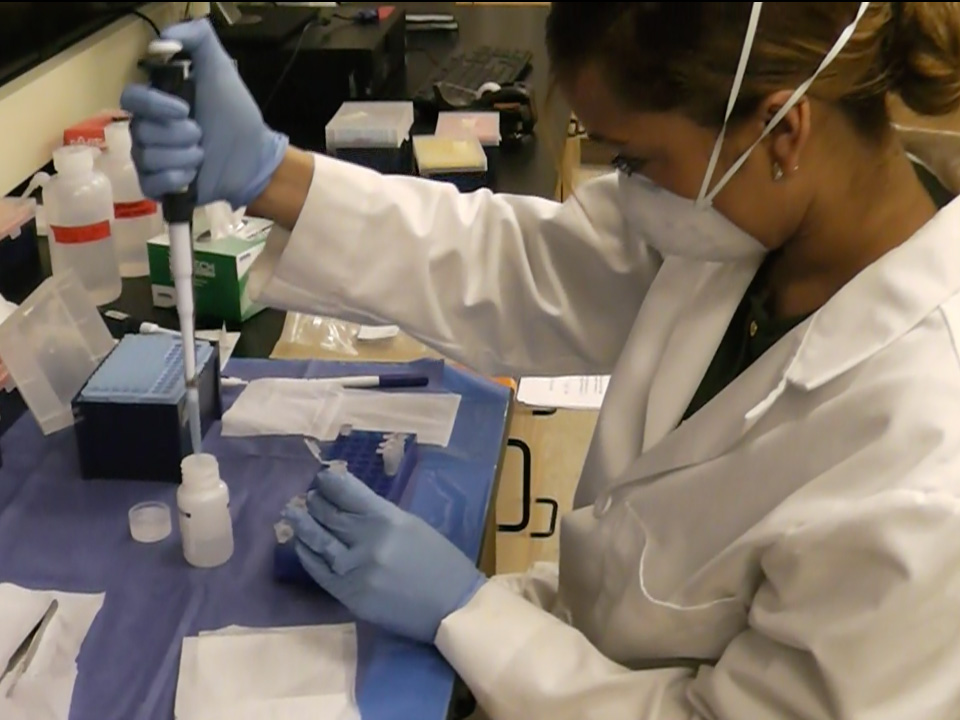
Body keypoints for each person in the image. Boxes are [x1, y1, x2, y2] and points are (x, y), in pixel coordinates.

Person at [121, 2, 960, 717]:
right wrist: (273, 174)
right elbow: (519, 267)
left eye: (635, 158)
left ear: (784, 127)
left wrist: (471, 612)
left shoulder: (922, 460)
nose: (621, 189)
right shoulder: (752, 220)